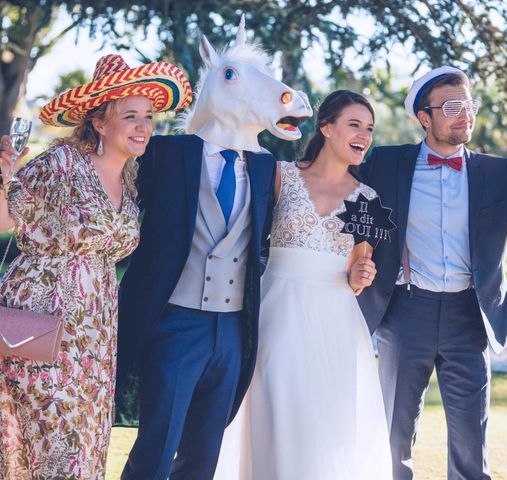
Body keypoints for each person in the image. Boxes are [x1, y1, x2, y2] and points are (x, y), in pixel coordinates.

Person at [117, 24, 313, 480]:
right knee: (154, 451)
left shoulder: (265, 167)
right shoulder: (166, 153)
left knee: (204, 455)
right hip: (175, 323)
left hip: (232, 331)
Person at [358, 66, 507, 480]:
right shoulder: (386, 163)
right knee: (392, 437)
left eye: (469, 105)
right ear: (424, 117)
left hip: (470, 318)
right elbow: (340, 194)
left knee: (471, 444)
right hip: (404, 314)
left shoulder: (496, 172)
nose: (465, 115)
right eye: (452, 107)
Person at [0, 54, 191, 479]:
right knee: (50, 444)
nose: (144, 126)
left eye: (148, 116)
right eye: (130, 116)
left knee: (82, 443)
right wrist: (3, 176)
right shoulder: (62, 163)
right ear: (100, 123)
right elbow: (5, 220)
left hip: (95, 337)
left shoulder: (130, 178)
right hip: (42, 322)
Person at [214, 89, 392, 480]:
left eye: (370, 128)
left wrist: (362, 275)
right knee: (273, 407)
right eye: (354, 125)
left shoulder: (367, 199)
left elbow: (360, 268)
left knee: (326, 421)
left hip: (336, 325)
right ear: (326, 127)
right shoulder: (280, 175)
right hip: (278, 313)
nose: (364, 134)